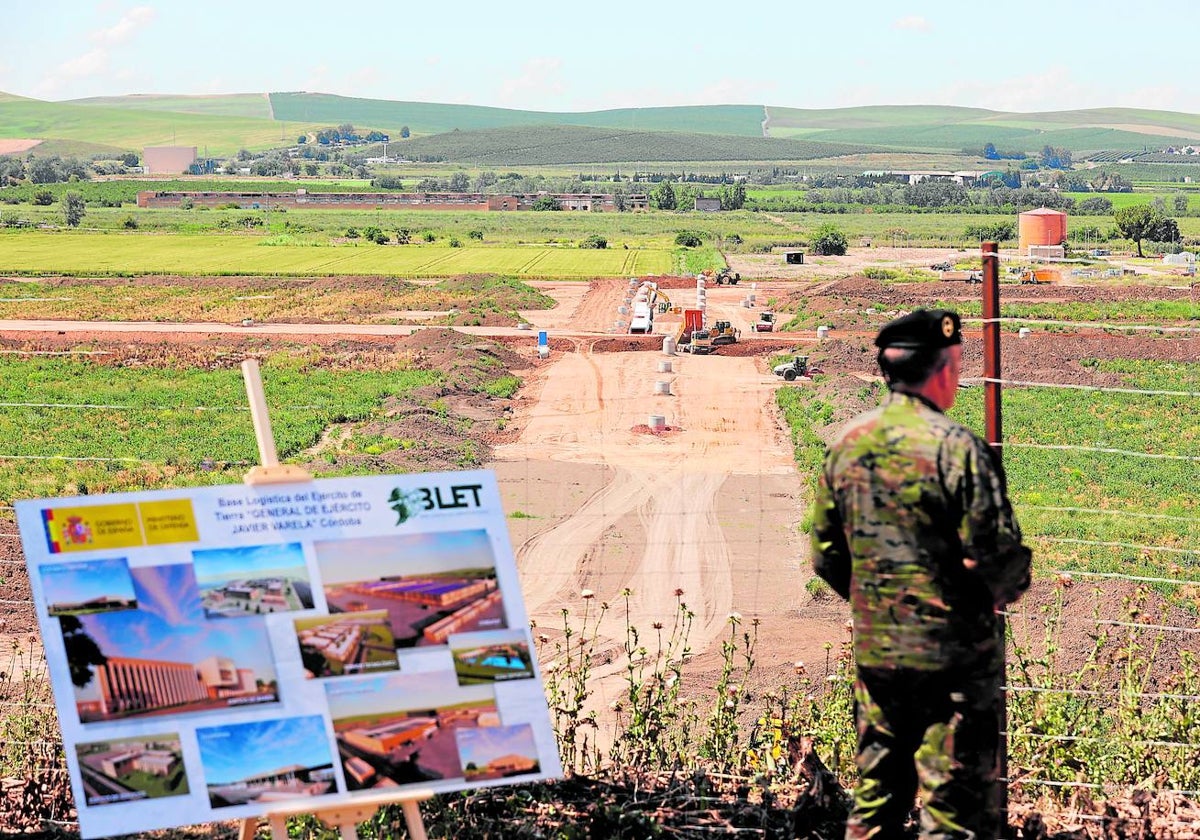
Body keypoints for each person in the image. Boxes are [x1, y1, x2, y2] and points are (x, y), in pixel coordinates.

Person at [811, 308, 1032, 840]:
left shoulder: (847, 445)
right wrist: (1001, 592)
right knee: (952, 809)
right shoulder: (958, 450)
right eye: (957, 365)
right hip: (954, 659)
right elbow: (994, 554)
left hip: (880, 650)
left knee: (876, 798)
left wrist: (880, 603)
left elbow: (826, 555)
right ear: (942, 370)